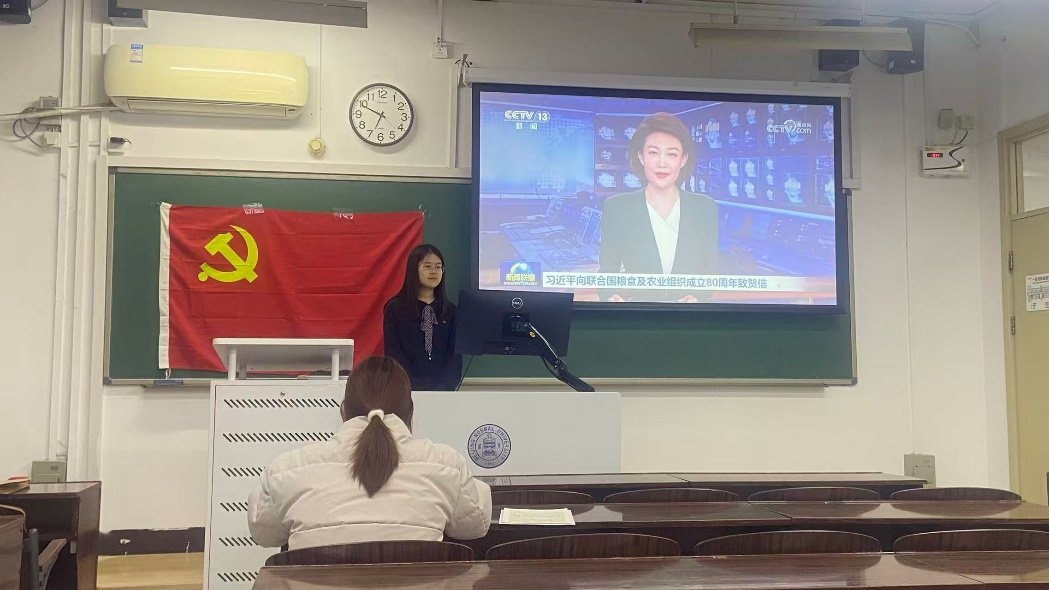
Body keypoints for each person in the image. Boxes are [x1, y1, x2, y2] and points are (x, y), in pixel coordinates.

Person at [247, 356, 492, 549]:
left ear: (343, 411)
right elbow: (476, 526)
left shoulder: (286, 469)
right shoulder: (446, 465)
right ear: (410, 412)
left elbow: (264, 533)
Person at [598, 112, 719, 303]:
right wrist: (611, 298)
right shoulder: (617, 207)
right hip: (637, 314)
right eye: (653, 153)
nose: (662, 163)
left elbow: (710, 272)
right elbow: (607, 273)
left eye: (672, 154)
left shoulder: (704, 208)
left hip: (690, 315)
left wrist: (697, 296)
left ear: (683, 160)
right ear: (641, 156)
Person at [383, 244, 463, 391]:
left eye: (438, 267)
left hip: (444, 393)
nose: (434, 271)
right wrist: (413, 386)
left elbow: (455, 356)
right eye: (427, 266)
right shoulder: (395, 308)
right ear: (413, 269)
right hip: (406, 390)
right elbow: (394, 353)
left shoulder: (451, 311)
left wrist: (444, 387)